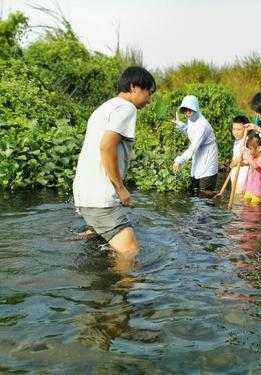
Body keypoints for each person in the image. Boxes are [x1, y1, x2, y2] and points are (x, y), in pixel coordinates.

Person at [73, 66, 156, 268]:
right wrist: (120, 188)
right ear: (134, 87)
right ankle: (120, 299)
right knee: (130, 250)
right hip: (100, 196)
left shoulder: (105, 107)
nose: (149, 99)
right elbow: (107, 145)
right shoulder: (127, 108)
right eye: (148, 93)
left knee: (97, 236)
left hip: (84, 192)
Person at [172, 95, 219, 194]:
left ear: (196, 109)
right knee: (194, 193)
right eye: (185, 110)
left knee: (205, 196)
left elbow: (193, 147)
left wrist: (179, 160)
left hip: (207, 164)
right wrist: (181, 125)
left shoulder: (203, 125)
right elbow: (191, 132)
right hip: (198, 161)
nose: (188, 113)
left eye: (190, 110)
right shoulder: (192, 119)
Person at [241, 134, 261, 205]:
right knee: (245, 208)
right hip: (248, 189)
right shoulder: (252, 158)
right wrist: (239, 162)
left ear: (259, 148)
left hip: (257, 192)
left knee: (254, 211)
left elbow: (255, 166)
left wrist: (247, 157)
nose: (249, 151)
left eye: (250, 149)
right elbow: (245, 163)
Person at [230, 115, 250, 196]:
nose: (235, 132)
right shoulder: (237, 141)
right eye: (234, 129)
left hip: (243, 173)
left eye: (239, 129)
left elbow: (244, 157)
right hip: (235, 171)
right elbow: (235, 156)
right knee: (234, 194)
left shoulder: (247, 141)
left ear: (246, 129)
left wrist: (233, 163)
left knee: (239, 195)